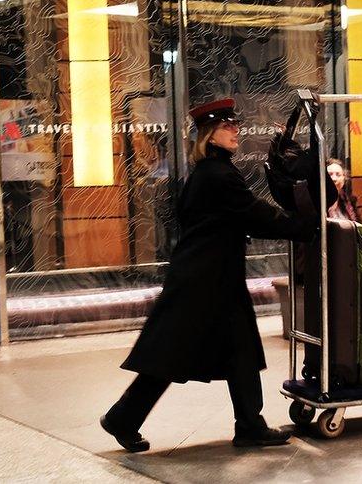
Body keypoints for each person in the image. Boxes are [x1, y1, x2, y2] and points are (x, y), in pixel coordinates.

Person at [101, 98, 316, 452]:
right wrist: (302, 226)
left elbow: (239, 216)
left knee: (237, 350)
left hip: (209, 278)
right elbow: (254, 214)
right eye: (227, 126)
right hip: (204, 282)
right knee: (172, 355)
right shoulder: (217, 175)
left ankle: (248, 424)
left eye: (235, 124)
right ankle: (122, 418)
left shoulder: (209, 172)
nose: (236, 129)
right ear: (209, 135)